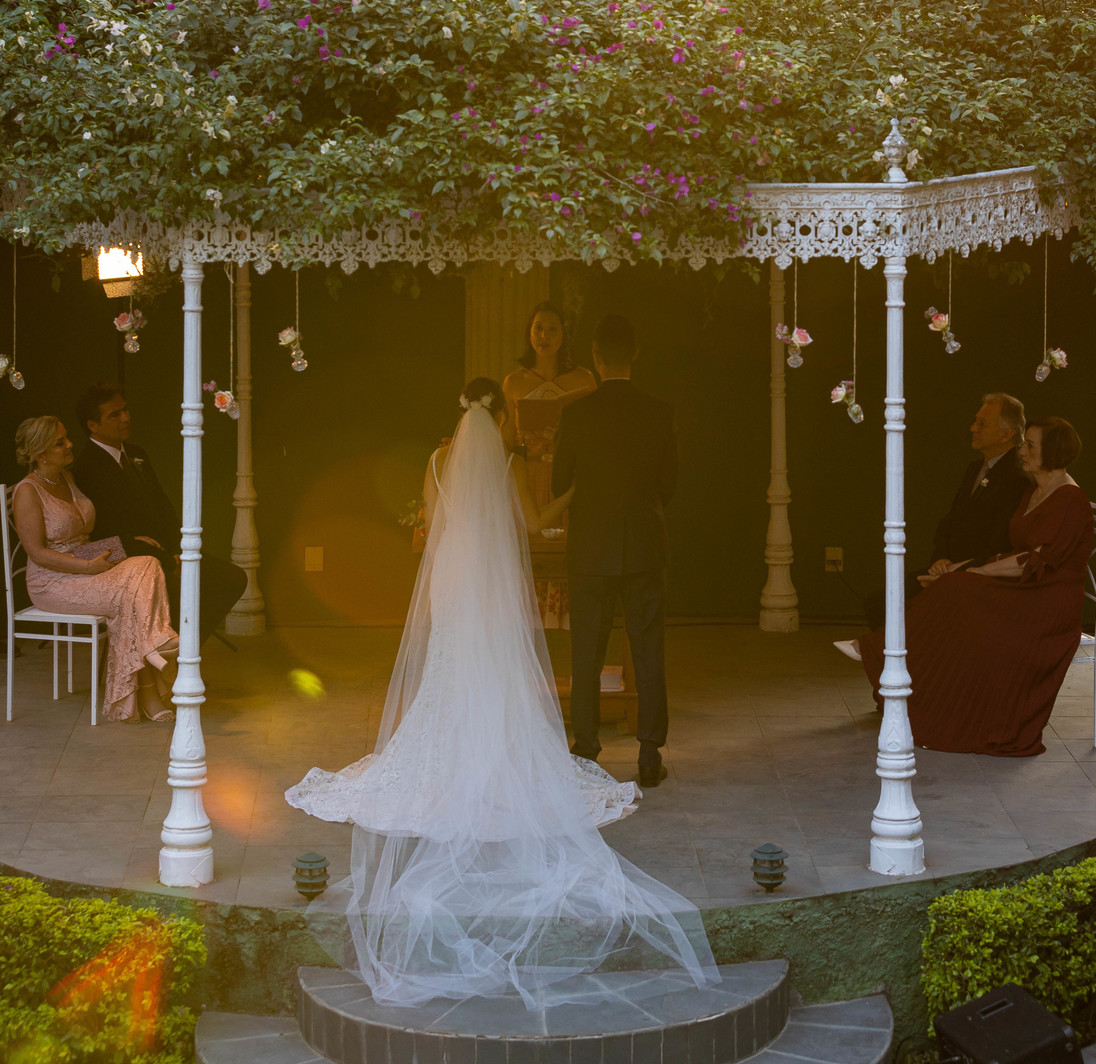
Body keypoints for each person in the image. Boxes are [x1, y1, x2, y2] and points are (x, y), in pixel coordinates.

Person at [285, 378, 716, 1009]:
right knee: (497, 668)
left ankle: (446, 752)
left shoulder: (436, 462)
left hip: (454, 577)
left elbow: (432, 526)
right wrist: (577, 489)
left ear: (460, 416)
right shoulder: (512, 464)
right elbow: (536, 521)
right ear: (501, 418)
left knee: (450, 667)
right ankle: (494, 754)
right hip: (491, 581)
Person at [858, 416, 1095, 756]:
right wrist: (964, 566)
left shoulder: (1070, 499)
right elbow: (1013, 550)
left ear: (1053, 453)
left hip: (1047, 602)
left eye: (1030, 446)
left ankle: (880, 652)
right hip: (1027, 588)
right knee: (951, 589)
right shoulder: (1035, 489)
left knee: (957, 591)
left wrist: (978, 573)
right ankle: (916, 687)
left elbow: (1033, 560)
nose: (1023, 451)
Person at [552, 313, 677, 790]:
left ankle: (585, 751)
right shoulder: (660, 412)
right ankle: (649, 754)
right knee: (647, 650)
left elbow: (562, 481)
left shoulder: (576, 414)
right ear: (636, 354)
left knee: (586, 650)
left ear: (596, 358)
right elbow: (669, 484)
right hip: (646, 545)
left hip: (590, 549)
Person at [11, 415, 178, 722]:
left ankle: (150, 654)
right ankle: (151, 673)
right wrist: (87, 568)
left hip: (83, 559)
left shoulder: (66, 477)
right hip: (52, 581)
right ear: (40, 454)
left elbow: (81, 536)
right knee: (132, 591)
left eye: (66, 437)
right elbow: (37, 553)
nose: (70, 444)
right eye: (60, 443)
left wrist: (127, 541)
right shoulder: (27, 492)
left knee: (148, 563)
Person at [71, 383, 246, 649]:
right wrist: (165, 560)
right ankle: (163, 656)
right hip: (124, 557)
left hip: (164, 552)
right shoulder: (85, 468)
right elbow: (102, 529)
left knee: (232, 579)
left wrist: (179, 551)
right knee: (182, 589)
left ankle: (178, 652)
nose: (126, 417)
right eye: (115, 415)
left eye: (126, 410)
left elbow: (162, 506)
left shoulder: (137, 454)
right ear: (93, 425)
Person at [858, 392, 1027, 634]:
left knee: (891, 606)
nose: (972, 428)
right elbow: (950, 522)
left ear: (1007, 433)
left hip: (976, 576)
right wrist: (940, 558)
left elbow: (1000, 544)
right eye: (975, 420)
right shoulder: (974, 469)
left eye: (982, 423)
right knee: (880, 603)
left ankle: (913, 664)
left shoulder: (1015, 478)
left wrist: (953, 570)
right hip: (947, 568)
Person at [502, 301, 596, 627]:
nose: (544, 335)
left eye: (552, 328)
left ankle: (572, 625)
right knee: (531, 553)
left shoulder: (582, 378)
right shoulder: (514, 381)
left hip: (568, 476)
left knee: (571, 555)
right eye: (538, 328)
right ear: (529, 333)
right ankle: (529, 630)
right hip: (529, 476)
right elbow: (507, 439)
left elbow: (596, 432)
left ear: (563, 334)